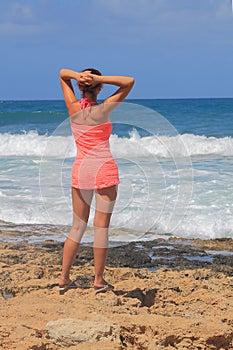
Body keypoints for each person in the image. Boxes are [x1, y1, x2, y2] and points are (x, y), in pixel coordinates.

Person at [59, 68, 134, 294]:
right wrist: (99, 78)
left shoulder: (73, 108)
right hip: (104, 170)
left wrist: (76, 76)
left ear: (81, 86)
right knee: (101, 228)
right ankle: (98, 281)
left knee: (77, 226)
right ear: (99, 88)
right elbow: (128, 81)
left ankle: (64, 278)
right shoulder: (103, 109)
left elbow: (62, 74)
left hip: (81, 170)